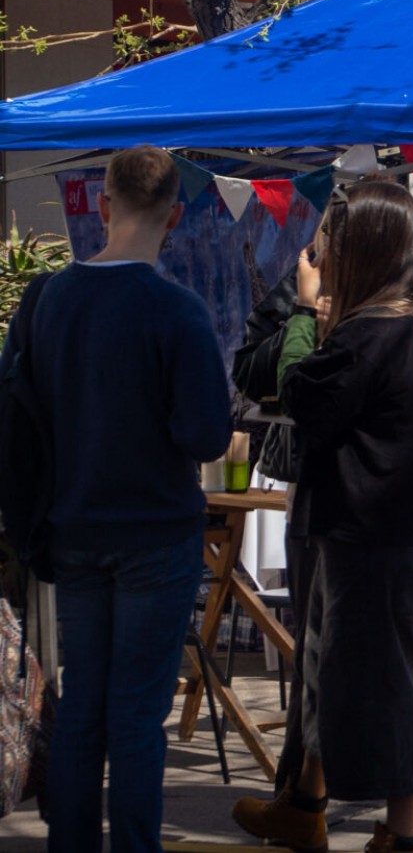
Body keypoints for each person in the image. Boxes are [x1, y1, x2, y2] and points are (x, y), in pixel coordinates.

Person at [0, 146, 232, 852]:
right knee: (136, 714)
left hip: (72, 530)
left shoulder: (47, 302)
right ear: (176, 215)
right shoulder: (178, 311)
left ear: (102, 207)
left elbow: (18, 417)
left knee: (82, 708)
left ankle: (71, 841)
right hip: (156, 535)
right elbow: (205, 435)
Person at [234, 180, 413, 853]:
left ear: (362, 245)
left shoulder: (375, 332)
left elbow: (302, 394)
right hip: (395, 534)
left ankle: (398, 835)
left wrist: (307, 313)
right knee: (329, 671)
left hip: (376, 539)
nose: (322, 251)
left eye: (333, 239)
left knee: (384, 688)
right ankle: (303, 802)